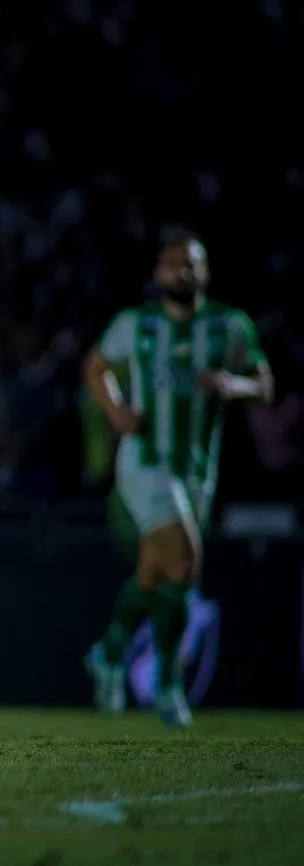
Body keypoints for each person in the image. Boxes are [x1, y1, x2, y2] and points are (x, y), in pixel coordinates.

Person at [82, 227, 273, 728]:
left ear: (205, 272)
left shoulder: (229, 327)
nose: (181, 271)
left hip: (196, 470)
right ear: (157, 273)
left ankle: (109, 651)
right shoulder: (136, 324)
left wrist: (234, 385)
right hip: (145, 461)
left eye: (190, 263)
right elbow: (96, 367)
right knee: (186, 560)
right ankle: (169, 685)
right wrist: (117, 411)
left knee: (157, 573)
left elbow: (265, 384)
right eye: (171, 263)